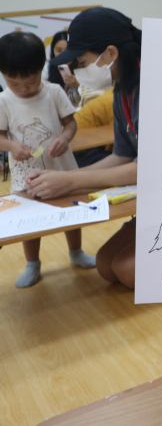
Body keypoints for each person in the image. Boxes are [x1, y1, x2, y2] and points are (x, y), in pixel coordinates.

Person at [27, 8, 142, 289]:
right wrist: (66, 180)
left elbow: (148, 168)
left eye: (82, 61)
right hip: (155, 194)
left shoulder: (155, 86)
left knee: (127, 272)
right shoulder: (123, 90)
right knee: (106, 266)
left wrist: (71, 180)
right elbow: (122, 155)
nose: (77, 70)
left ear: (111, 53)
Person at [0, 31, 96, 287]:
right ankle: (32, 264)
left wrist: (64, 139)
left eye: (30, 81)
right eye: (13, 82)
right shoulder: (4, 100)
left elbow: (70, 124)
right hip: (26, 172)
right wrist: (11, 145)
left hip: (60, 166)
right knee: (27, 218)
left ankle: (76, 252)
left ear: (41, 69)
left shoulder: (53, 92)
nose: (23, 89)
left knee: (71, 209)